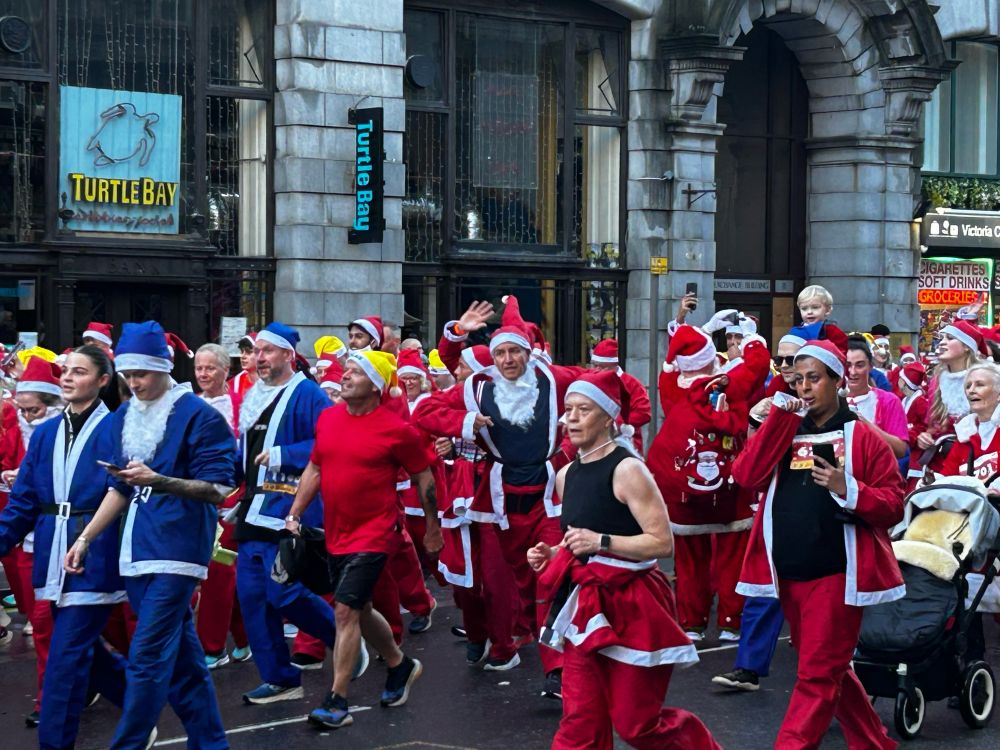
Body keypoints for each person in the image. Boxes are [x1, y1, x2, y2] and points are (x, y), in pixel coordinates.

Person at [64, 320, 236, 749]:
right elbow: (120, 487)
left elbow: (219, 487)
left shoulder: (200, 415)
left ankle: (130, 742)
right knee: (185, 665)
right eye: (127, 375)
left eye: (141, 374)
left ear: (163, 367)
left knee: (147, 654)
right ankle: (211, 743)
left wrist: (159, 480)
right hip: (136, 550)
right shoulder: (126, 414)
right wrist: (85, 538)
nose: (133, 383)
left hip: (179, 551)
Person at [530, 369, 720, 750]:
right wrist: (553, 553)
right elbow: (579, 539)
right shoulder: (566, 475)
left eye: (584, 410)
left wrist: (601, 541)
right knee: (580, 721)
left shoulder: (628, 469)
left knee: (638, 726)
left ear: (607, 417)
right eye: (569, 409)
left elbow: (662, 543)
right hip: (586, 605)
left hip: (635, 602)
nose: (572, 418)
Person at [733, 339, 904, 749]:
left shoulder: (863, 436)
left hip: (837, 574)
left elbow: (893, 505)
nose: (804, 387)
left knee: (816, 675)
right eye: (797, 380)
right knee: (830, 667)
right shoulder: (786, 427)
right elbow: (746, 476)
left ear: (837, 380)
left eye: (814, 378)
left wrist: (850, 489)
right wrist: (777, 420)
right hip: (788, 571)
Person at [414, 296, 588, 698]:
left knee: (550, 577)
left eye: (515, 351)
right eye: (501, 353)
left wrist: (580, 440)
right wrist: (464, 423)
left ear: (528, 353)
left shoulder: (553, 379)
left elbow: (606, 383)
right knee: (501, 584)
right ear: (492, 359)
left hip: (547, 500)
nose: (509, 360)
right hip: (497, 504)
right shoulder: (477, 387)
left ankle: (557, 669)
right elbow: (423, 413)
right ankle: (509, 636)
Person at [285, 351, 438, 730]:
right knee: (361, 609)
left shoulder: (396, 430)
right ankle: (399, 664)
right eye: (347, 370)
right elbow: (315, 467)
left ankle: (337, 701)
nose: (346, 376)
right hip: (336, 533)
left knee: (345, 611)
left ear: (375, 385)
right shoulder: (329, 419)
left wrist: (433, 527)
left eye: (356, 372)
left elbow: (423, 475)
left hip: (375, 533)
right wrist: (295, 513)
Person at [0, 346, 136, 749]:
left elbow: (121, 491)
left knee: (62, 660)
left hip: (94, 557)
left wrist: (87, 539)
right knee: (87, 654)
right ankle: (140, 708)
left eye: (80, 371)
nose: (68, 378)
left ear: (102, 380)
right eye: (66, 371)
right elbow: (24, 502)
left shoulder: (116, 429)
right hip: (50, 557)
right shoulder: (45, 435)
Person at [647, 299, 770, 641]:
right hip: (729, 487)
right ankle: (731, 621)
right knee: (732, 555)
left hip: (684, 491)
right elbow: (757, 366)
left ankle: (692, 622)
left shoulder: (673, 389)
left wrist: (704, 329)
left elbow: (672, 363)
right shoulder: (727, 383)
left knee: (690, 559)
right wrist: (750, 337)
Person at [233, 322, 341, 703]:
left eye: (266, 351)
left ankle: (344, 640)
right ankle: (280, 678)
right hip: (253, 512)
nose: (258, 358)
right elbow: (244, 453)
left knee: (284, 593)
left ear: (287, 355)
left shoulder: (308, 393)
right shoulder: (254, 394)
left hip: (290, 510)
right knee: (252, 598)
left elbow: (332, 440)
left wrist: (284, 455)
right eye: (255, 351)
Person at [2, 355, 64, 725]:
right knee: (45, 623)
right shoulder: (24, 429)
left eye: (33, 410)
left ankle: (50, 700)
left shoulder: (64, 433)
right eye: (22, 410)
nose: (26, 418)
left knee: (46, 624)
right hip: (29, 541)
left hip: (64, 542)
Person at [193, 343, 251, 669]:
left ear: (226, 370)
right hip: (195, 498)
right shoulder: (190, 405)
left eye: (210, 368)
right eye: (199, 368)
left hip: (230, 499)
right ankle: (244, 636)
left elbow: (249, 458)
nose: (203, 374)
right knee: (221, 574)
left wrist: (239, 498)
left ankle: (213, 647)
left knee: (218, 570)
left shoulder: (243, 406)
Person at [914, 320, 987, 481]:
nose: (942, 343)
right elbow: (934, 426)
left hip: (977, 462)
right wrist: (925, 437)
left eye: (950, 338)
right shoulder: (937, 381)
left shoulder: (985, 379)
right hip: (941, 462)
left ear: (966, 346)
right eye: (942, 338)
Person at [844, 337, 909, 460]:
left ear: (870, 366)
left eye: (859, 365)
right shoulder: (830, 399)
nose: (852, 372)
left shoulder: (889, 401)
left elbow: (900, 450)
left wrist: (866, 425)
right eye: (848, 365)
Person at [589, 339, 652, 454]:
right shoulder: (590, 381)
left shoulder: (632, 384)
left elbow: (644, 413)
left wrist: (618, 423)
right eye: (595, 366)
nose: (597, 370)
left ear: (614, 365)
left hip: (625, 441)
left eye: (602, 367)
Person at [230, 332, 258, 397]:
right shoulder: (236, 382)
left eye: (249, 352)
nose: (243, 356)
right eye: (242, 351)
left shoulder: (273, 381)